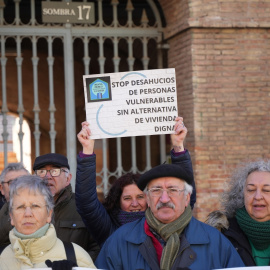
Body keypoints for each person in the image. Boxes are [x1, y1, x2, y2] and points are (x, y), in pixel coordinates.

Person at [95, 163, 245, 270]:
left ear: (187, 198)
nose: (164, 198)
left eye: (172, 190)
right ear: (147, 198)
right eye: (156, 190)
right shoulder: (121, 240)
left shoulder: (215, 242)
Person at [76, 117, 196, 247]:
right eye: (127, 198)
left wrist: (178, 145)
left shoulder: (164, 220)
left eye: (140, 197)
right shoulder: (107, 228)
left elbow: (185, 192)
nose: (135, 203)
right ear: (117, 201)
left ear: (149, 198)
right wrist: (87, 151)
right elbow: (86, 202)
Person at [0, 175, 96, 269]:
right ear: (11, 216)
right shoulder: (2, 258)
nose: (28, 214)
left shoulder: (76, 255)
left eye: (35, 206)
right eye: (20, 207)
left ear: (49, 214)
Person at [33, 153, 100, 261]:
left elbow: (98, 247)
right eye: (41, 172)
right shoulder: (23, 208)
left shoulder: (82, 207)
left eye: (55, 171)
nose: (48, 176)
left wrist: (74, 265)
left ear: (68, 178)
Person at [205, 159, 270, 266]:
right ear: (241, 195)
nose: (258, 197)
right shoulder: (221, 234)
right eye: (251, 190)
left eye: (267, 190)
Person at [0, 163, 30, 250]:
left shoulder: (44, 209)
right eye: (12, 182)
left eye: (23, 181)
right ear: (2, 189)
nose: (18, 186)